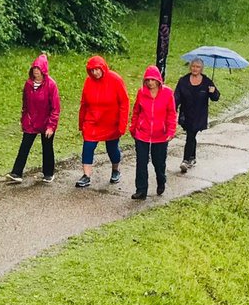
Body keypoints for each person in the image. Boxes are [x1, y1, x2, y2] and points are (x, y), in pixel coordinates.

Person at [6, 52, 61, 184]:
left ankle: (48, 173)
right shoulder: (28, 84)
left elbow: (55, 108)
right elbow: (25, 104)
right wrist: (24, 119)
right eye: (34, 69)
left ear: (43, 70)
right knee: (25, 145)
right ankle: (17, 172)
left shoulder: (51, 85)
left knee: (47, 147)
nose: (36, 72)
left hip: (46, 121)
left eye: (39, 69)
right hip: (31, 121)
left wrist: (51, 126)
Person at [76, 54, 130, 187]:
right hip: (92, 121)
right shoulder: (88, 82)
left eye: (97, 69)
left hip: (111, 121)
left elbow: (124, 102)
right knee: (88, 146)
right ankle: (86, 175)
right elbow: (84, 103)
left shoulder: (115, 79)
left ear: (103, 68)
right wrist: (81, 122)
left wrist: (122, 124)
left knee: (112, 148)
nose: (95, 73)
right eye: (92, 70)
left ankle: (115, 170)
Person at [130, 65, 177, 200]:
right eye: (147, 80)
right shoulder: (141, 93)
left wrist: (170, 130)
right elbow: (136, 111)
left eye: (152, 80)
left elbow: (171, 114)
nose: (150, 83)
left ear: (158, 80)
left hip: (160, 135)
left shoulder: (167, 93)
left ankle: (161, 180)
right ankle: (141, 190)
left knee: (158, 162)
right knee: (141, 162)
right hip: (142, 133)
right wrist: (133, 127)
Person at [173, 57, 220, 172]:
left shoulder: (207, 82)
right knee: (191, 135)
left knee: (191, 135)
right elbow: (176, 97)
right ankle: (192, 157)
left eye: (198, 67)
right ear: (190, 67)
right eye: (193, 66)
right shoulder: (183, 80)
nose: (195, 68)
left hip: (199, 115)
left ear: (201, 69)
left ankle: (185, 160)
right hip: (186, 114)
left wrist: (213, 92)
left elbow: (216, 98)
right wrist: (173, 109)